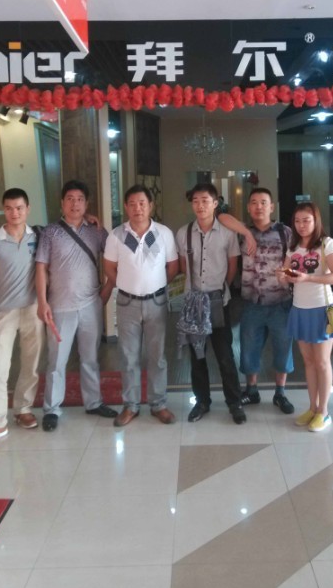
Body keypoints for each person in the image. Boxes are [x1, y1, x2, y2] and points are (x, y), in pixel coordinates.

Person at [35, 180, 117, 432]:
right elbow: (40, 268)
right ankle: (51, 408)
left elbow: (115, 258)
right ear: (62, 203)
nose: (75, 204)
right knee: (56, 361)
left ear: (87, 203)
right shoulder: (50, 233)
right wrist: (42, 302)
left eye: (80, 199)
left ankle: (93, 402)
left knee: (90, 358)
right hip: (59, 307)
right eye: (70, 199)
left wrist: (108, 288)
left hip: (91, 306)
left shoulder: (97, 231)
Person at [0, 188, 45, 447]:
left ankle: (23, 409)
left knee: (31, 363)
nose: (15, 213)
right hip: (3, 311)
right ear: (4, 209)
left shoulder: (39, 236)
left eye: (19, 208)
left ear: (28, 209)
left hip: (33, 309)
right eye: (9, 208)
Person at [103, 184, 179, 427]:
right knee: (128, 356)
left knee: (157, 356)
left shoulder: (163, 233)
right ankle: (131, 405)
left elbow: (173, 266)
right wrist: (125, 285)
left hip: (157, 302)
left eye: (142, 203)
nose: (138, 208)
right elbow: (109, 267)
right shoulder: (116, 235)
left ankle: (158, 404)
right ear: (126, 207)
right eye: (133, 204)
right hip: (127, 302)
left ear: (151, 205)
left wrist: (156, 286)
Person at [176, 183, 246, 424]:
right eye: (195, 201)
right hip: (193, 304)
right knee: (197, 357)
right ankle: (202, 402)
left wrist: (219, 290)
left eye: (205, 200)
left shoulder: (227, 233)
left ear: (215, 203)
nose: (200, 205)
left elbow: (233, 267)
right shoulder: (183, 233)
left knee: (225, 355)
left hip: (219, 302)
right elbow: (184, 267)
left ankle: (234, 402)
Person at [278, 202, 333, 432]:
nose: (301, 225)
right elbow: (285, 274)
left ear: (316, 221)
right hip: (299, 308)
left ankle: (324, 412)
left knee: (323, 362)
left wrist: (308, 278)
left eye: (306, 220)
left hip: (321, 309)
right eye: (297, 221)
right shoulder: (293, 246)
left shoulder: (327, 244)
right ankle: (313, 408)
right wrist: (282, 276)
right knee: (308, 362)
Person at [234, 188, 295, 413]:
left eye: (263, 202)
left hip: (281, 302)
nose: (258, 206)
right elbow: (221, 217)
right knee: (249, 348)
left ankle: (280, 393)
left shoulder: (285, 232)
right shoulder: (241, 233)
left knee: (283, 348)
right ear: (248, 207)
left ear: (272, 207)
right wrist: (246, 232)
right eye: (254, 202)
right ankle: (251, 391)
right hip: (252, 303)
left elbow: (296, 260)